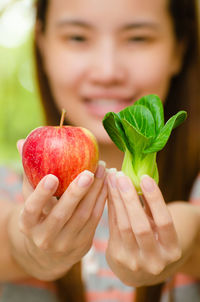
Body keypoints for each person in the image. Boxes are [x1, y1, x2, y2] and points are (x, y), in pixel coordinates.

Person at [0, 0, 200, 302]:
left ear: (178, 49)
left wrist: (189, 232)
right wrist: (26, 247)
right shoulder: (7, 190)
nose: (107, 72)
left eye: (138, 38)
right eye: (77, 37)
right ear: (42, 45)